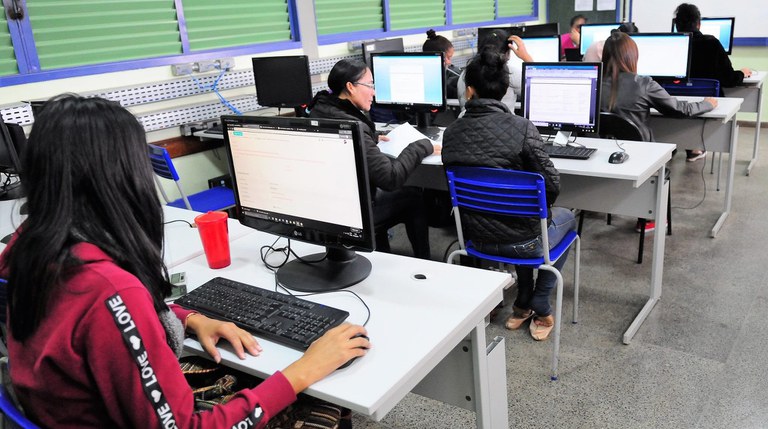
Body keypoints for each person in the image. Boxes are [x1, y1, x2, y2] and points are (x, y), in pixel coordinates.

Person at [0, 94, 370, 428]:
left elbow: (109, 322)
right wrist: (303, 371)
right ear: (122, 175)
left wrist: (191, 318)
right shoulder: (109, 289)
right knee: (325, 401)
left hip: (72, 411)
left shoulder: (29, 243)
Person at [442, 48, 576, 342]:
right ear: (505, 90)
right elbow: (552, 186)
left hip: (476, 240)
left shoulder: (451, 133)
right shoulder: (523, 128)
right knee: (568, 217)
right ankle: (541, 298)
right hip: (526, 243)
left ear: (468, 90)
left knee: (515, 219)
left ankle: (523, 299)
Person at [307, 59, 438, 259]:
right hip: (355, 214)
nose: (374, 92)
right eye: (370, 85)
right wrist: (422, 145)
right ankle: (426, 261)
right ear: (350, 87)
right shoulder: (352, 126)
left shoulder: (320, 110)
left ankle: (383, 250)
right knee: (413, 196)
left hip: (329, 206)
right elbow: (390, 178)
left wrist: (372, 137)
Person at [601, 32, 717, 231]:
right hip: (642, 159)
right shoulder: (644, 83)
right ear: (632, 56)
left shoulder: (594, 82)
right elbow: (680, 109)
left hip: (604, 157)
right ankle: (649, 217)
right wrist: (706, 104)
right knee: (664, 156)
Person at [673, 3, 751, 161]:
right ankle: (694, 148)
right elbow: (729, 79)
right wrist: (742, 73)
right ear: (699, 23)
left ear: (676, 24)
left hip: (673, 106)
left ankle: (677, 146)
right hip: (706, 108)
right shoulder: (711, 43)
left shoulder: (670, 44)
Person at [457, 30, 533, 112]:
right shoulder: (511, 73)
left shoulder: (465, 74)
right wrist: (526, 57)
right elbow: (539, 90)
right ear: (508, 54)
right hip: (506, 122)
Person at [423, 29, 462, 99]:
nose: (449, 62)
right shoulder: (429, 83)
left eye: (450, 58)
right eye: (446, 58)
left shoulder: (451, 73)